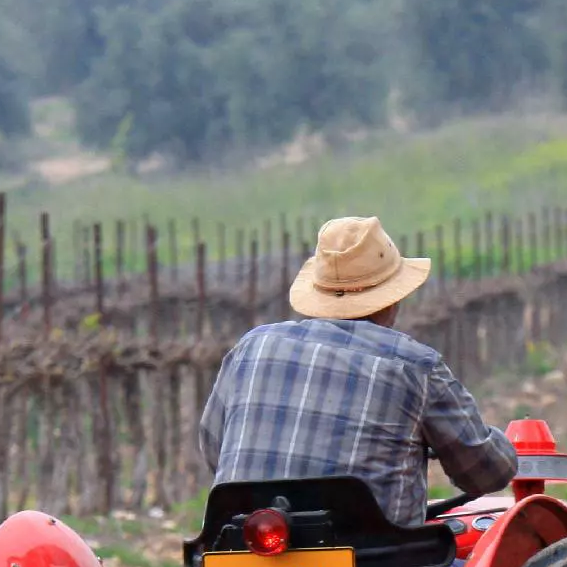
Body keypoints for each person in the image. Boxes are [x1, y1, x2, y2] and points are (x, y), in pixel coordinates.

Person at [198, 215, 517, 526]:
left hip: (240, 553)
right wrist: (502, 445)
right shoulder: (415, 366)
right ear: (392, 300)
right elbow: (484, 475)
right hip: (376, 561)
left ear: (317, 292)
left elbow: (215, 447)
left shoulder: (252, 346)